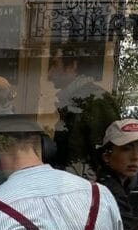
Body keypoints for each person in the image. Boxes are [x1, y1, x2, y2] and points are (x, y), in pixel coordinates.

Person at [47, 46, 120, 175]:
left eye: (55, 64)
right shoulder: (75, 100)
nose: (50, 74)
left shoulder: (96, 100)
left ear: (73, 65)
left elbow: (106, 156)